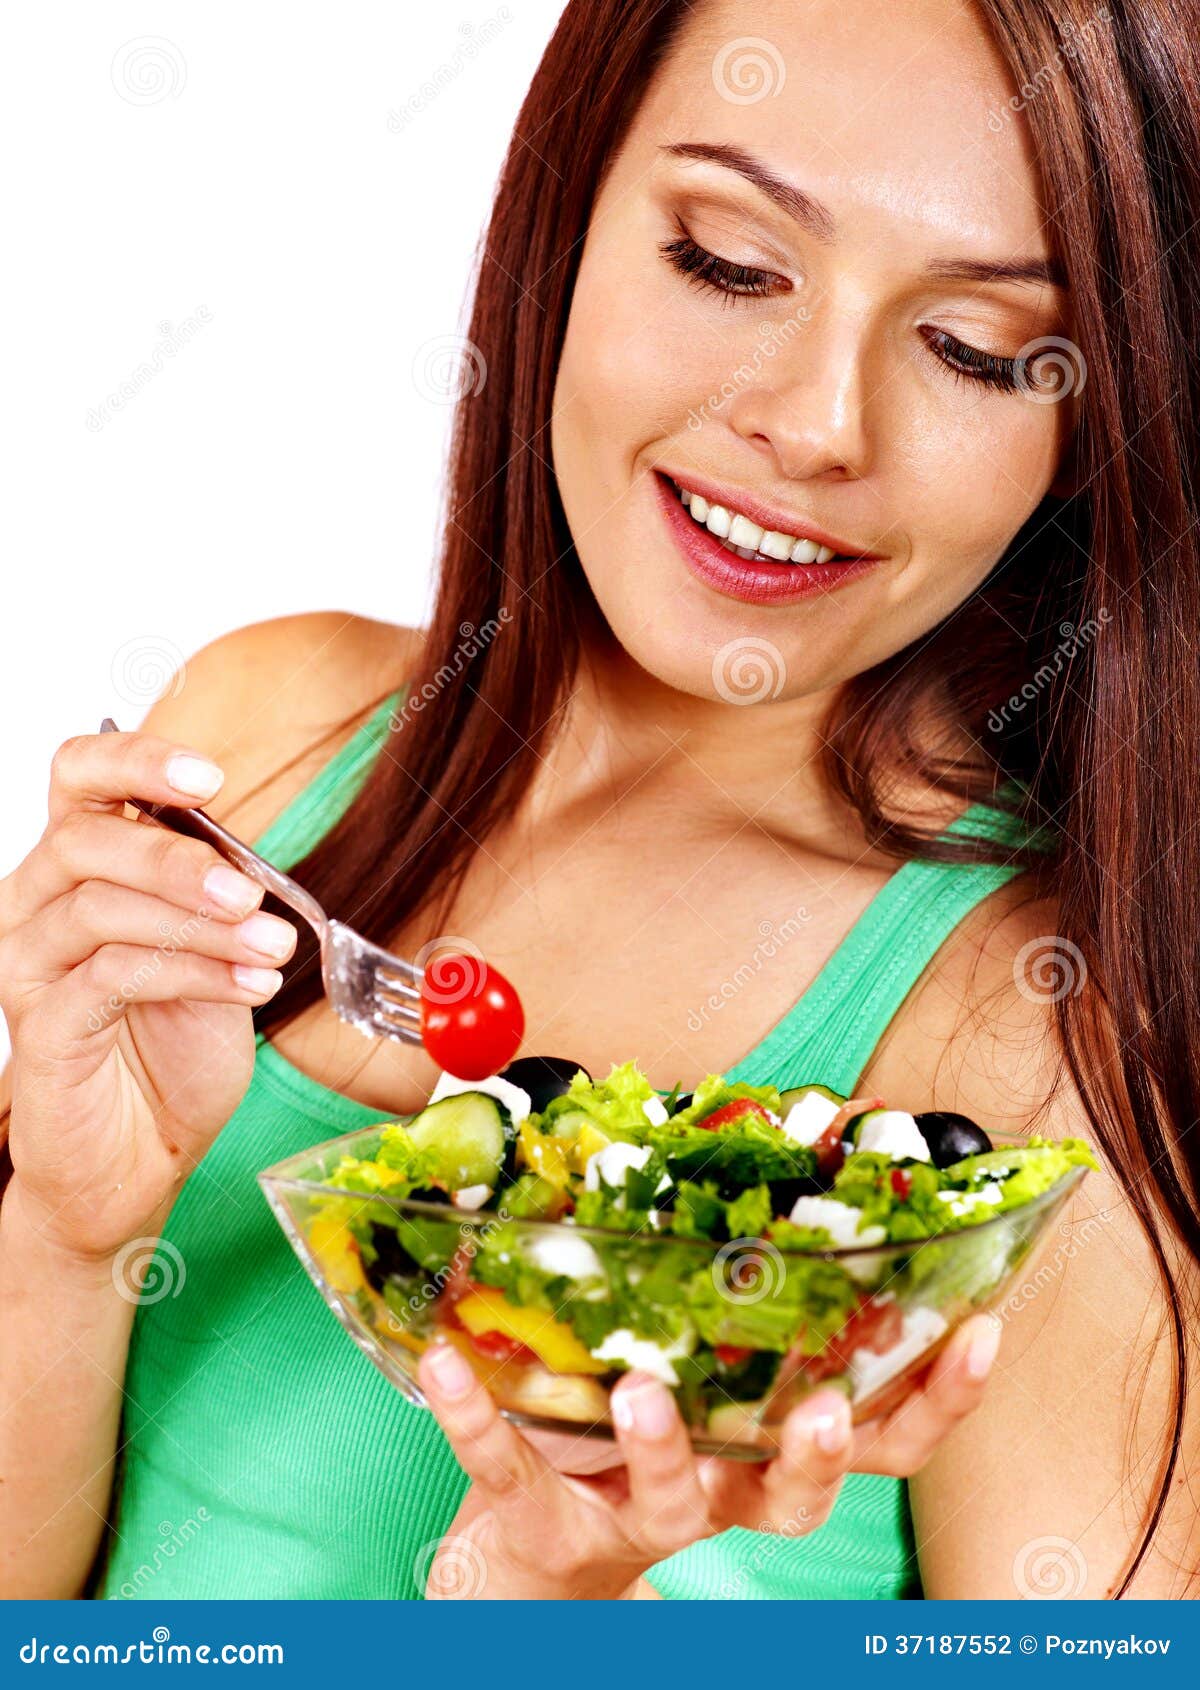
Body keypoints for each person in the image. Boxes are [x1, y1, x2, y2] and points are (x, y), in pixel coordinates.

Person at [2, 0, 1197, 1600]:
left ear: (1089, 417)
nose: (816, 424)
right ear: (562, 221)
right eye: (729, 262)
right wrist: (65, 1235)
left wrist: (544, 1615)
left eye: (977, 348)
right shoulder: (262, 740)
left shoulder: (1040, 1045)